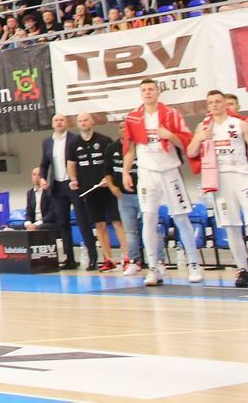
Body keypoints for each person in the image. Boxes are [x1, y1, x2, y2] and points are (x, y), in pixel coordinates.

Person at [187, 90, 248, 286]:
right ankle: (242, 269)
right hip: (220, 181)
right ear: (207, 106)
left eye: (218, 101)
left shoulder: (241, 125)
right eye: (211, 102)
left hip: (243, 177)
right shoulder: (203, 127)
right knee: (231, 227)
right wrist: (198, 138)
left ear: (225, 104)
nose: (214, 105)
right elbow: (190, 152)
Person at [123, 78, 204, 285]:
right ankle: (153, 267)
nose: (147, 92)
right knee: (148, 218)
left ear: (158, 92)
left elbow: (186, 141)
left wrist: (169, 135)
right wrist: (125, 173)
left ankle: (194, 264)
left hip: (169, 170)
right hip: (146, 172)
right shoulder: (133, 117)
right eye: (144, 90)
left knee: (181, 217)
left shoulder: (171, 114)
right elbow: (130, 149)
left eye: (151, 89)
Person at [71, 113, 127, 272]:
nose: (83, 123)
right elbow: (71, 164)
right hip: (89, 191)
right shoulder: (74, 143)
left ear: (92, 122)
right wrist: (73, 179)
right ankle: (108, 259)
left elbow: (111, 165)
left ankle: (127, 257)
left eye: (86, 120)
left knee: (117, 222)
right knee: (99, 224)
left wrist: (109, 181)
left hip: (107, 189)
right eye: (80, 121)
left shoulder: (104, 140)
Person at [104, 124, 147, 275]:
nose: (123, 129)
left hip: (144, 193)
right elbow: (107, 171)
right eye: (120, 127)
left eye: (126, 127)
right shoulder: (111, 148)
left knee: (150, 227)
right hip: (124, 195)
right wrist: (112, 187)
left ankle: (158, 261)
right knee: (130, 231)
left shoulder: (141, 145)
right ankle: (134, 261)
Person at [39, 114, 80, 269]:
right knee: (62, 222)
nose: (59, 122)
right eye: (56, 120)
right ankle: (69, 258)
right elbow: (44, 163)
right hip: (57, 185)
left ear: (67, 123)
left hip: (73, 184)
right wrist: (43, 177)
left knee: (82, 220)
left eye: (61, 120)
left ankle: (92, 257)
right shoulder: (47, 142)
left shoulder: (74, 139)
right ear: (52, 124)